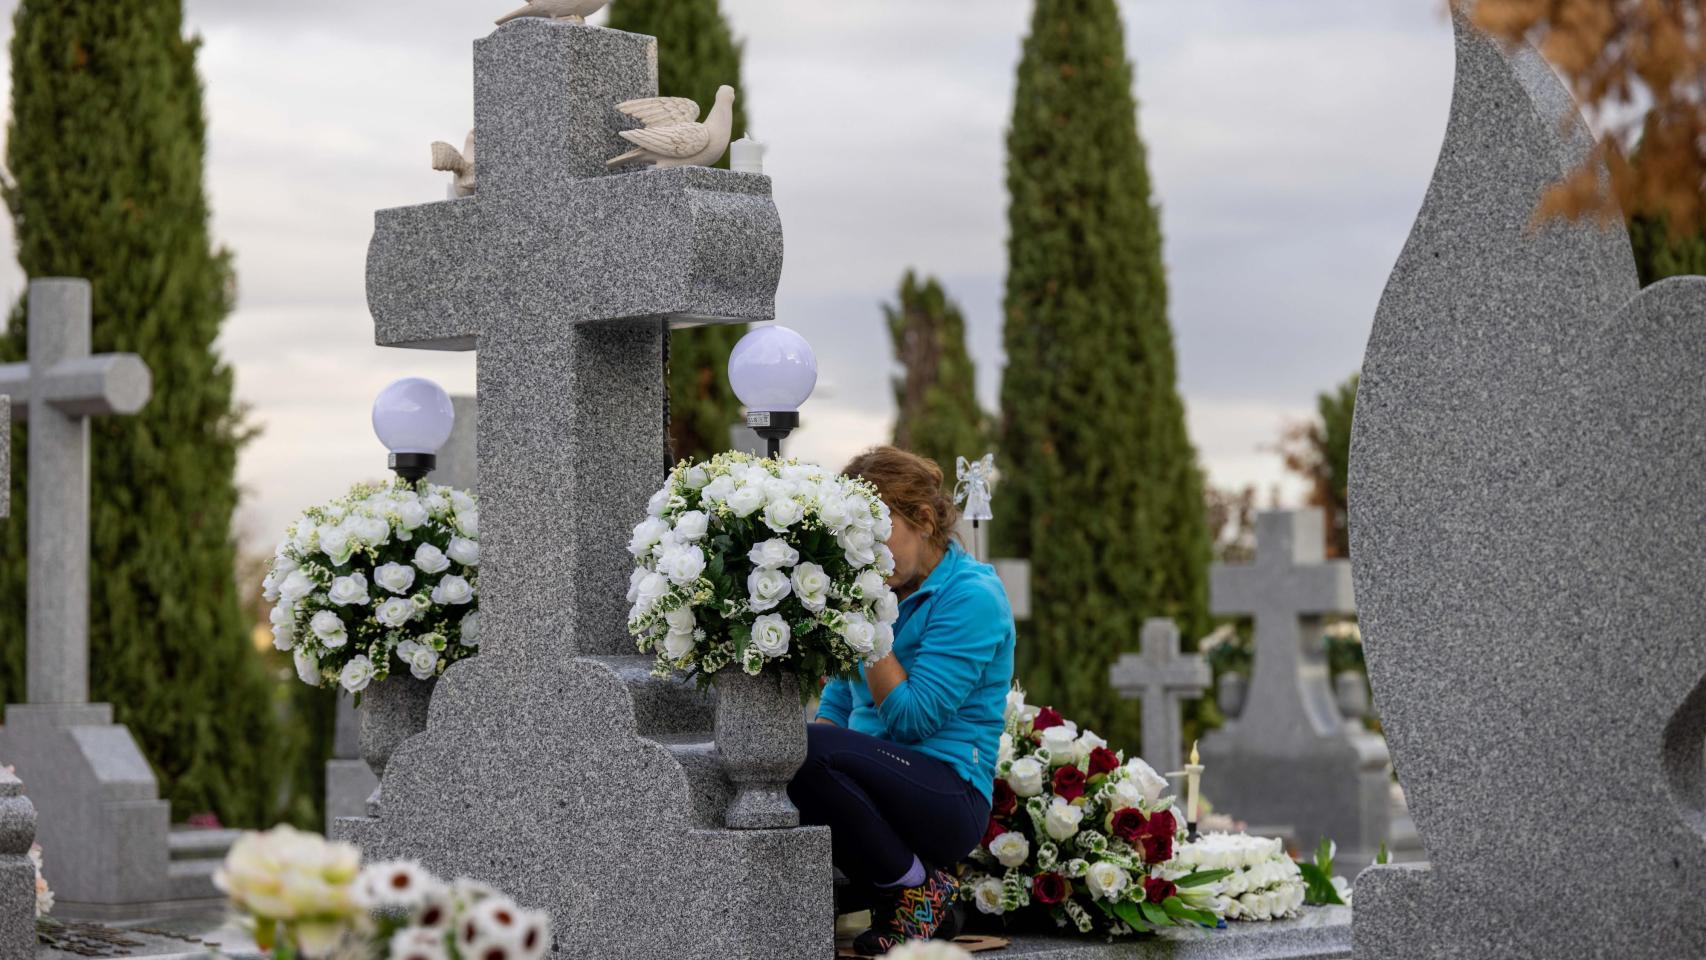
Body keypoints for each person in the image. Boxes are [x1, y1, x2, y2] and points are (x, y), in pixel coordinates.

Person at [788, 446, 1016, 955]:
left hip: (949, 795)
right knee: (792, 752)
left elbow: (912, 719)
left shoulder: (972, 596)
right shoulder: (876, 587)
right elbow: (840, 705)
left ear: (925, 519)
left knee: (803, 746)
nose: (868, 552)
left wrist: (866, 620)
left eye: (879, 532)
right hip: (878, 786)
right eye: (856, 537)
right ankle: (906, 895)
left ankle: (916, 887)